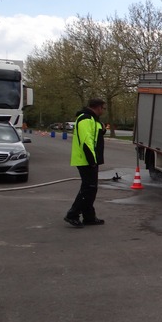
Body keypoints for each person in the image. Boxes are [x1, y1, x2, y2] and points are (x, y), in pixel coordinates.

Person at [64, 98, 107, 228]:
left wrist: (103, 129)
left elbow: (96, 133)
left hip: (90, 160)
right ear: (98, 107)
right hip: (85, 160)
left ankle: (89, 217)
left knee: (91, 189)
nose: (104, 111)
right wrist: (92, 160)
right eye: (103, 108)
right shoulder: (85, 119)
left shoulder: (93, 120)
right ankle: (72, 214)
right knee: (88, 189)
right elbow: (86, 141)